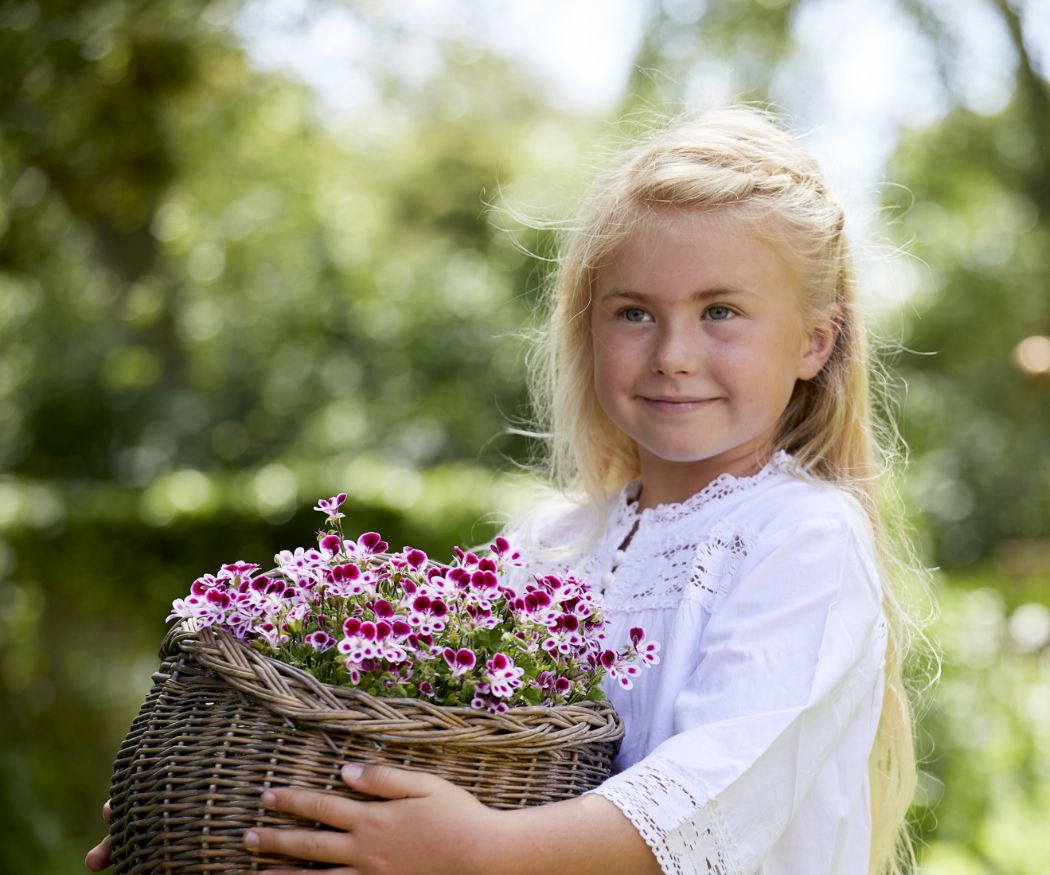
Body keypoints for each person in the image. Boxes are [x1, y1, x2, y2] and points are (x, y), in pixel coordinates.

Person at [86, 105, 930, 875]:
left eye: (720, 312)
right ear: (587, 326)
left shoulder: (801, 537)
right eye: (634, 312)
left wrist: (480, 849)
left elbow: (707, 796)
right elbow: (427, 741)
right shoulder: (550, 539)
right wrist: (225, 812)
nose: (672, 352)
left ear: (814, 342)